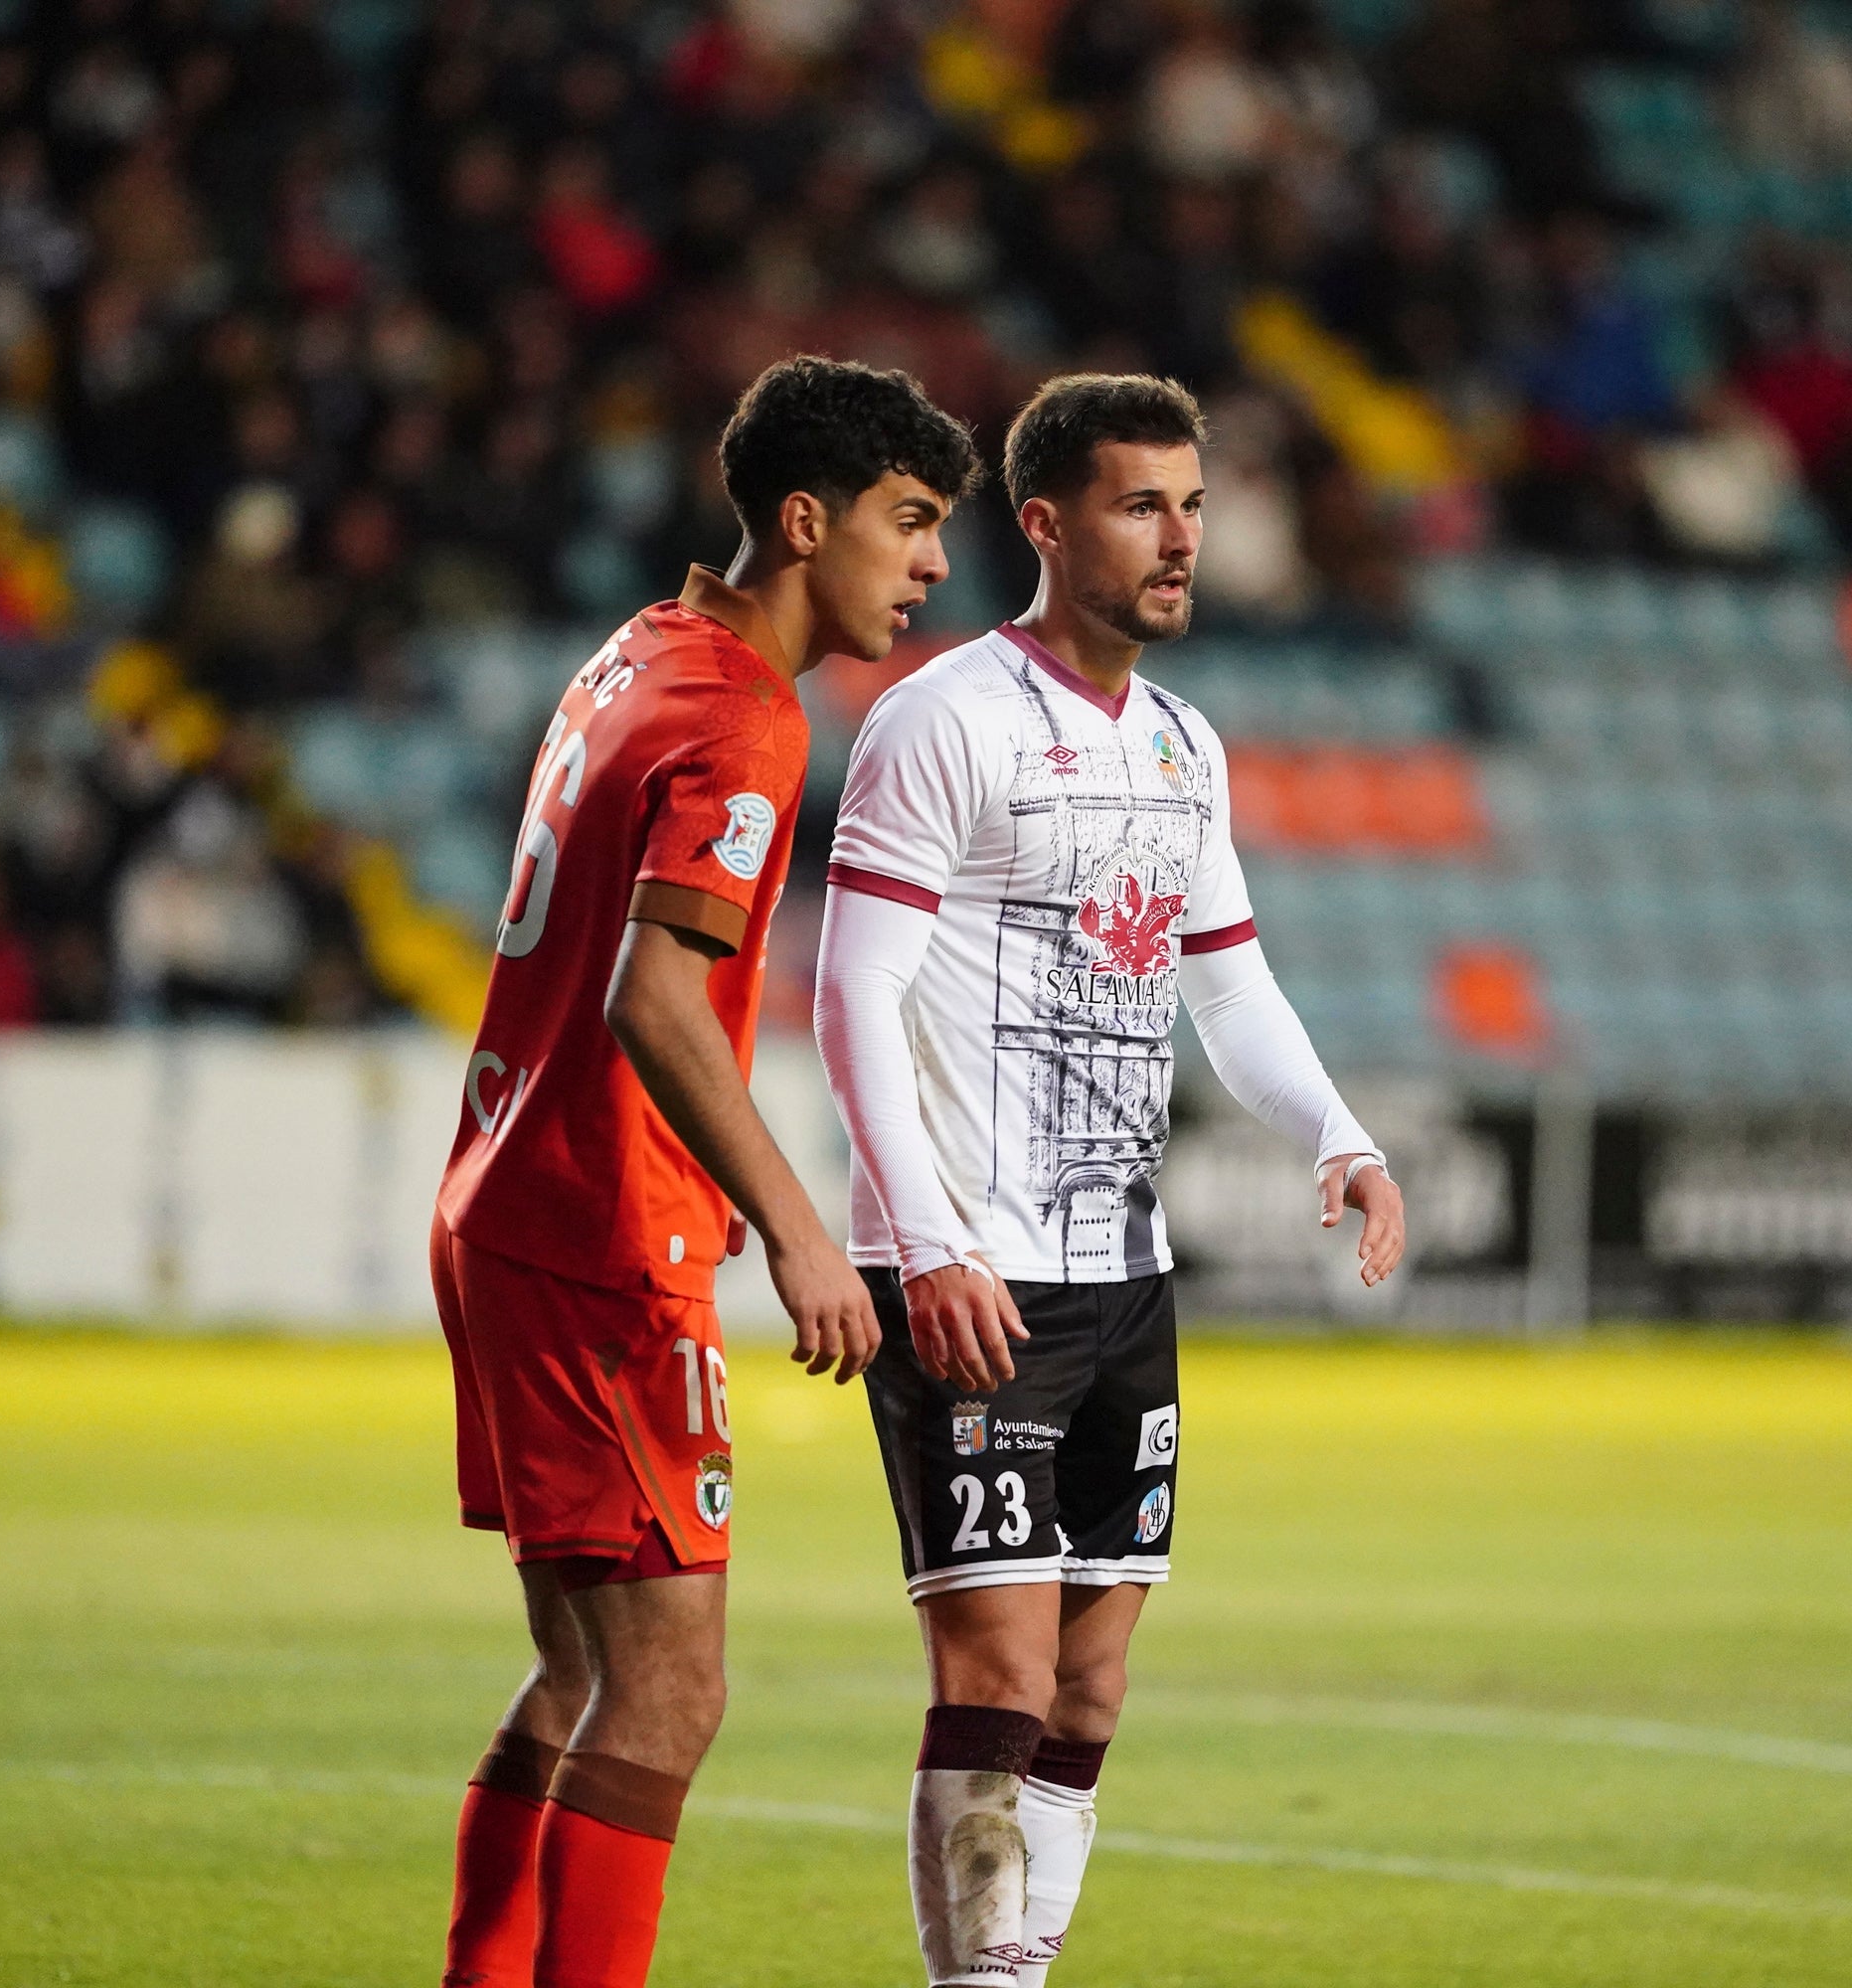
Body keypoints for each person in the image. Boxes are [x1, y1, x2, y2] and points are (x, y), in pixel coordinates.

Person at [812, 373, 1409, 1988]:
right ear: (1048, 523)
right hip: (972, 1272)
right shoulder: (942, 719)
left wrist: (1338, 1135)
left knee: (1087, 1695)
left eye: (1195, 505)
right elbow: (852, 989)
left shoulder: (1182, 747)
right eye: (1145, 505)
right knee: (994, 1673)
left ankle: (1016, 1972)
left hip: (1121, 1275)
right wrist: (922, 1240)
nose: (1181, 538)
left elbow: (1230, 988)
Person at [428, 355, 978, 1988]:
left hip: (507, 1196)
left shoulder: (636, 652)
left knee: (582, 1674)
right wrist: (798, 1229)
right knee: (670, 1694)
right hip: (602, 1235)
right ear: (806, 524)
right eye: (909, 521)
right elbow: (653, 995)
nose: (932, 564)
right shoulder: (745, 714)